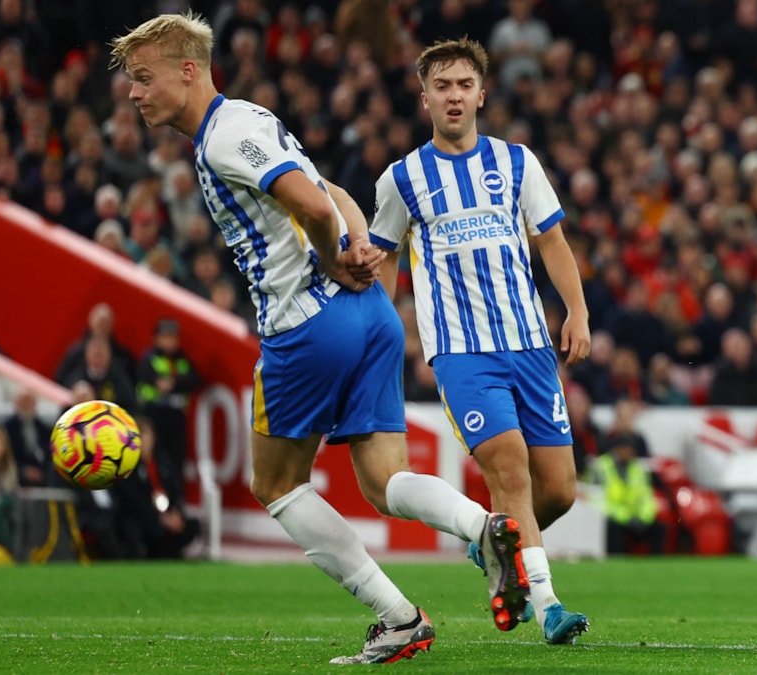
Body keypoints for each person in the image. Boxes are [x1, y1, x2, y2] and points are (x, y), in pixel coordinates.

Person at [111, 14, 530, 664]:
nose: (135, 93)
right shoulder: (250, 118)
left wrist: (338, 257)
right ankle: (485, 525)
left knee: (275, 483)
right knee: (384, 478)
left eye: (144, 77)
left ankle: (398, 617)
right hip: (371, 315)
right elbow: (332, 191)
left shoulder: (224, 138)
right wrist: (359, 244)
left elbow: (309, 202)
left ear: (187, 71)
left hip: (308, 323)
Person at [370, 37, 591, 645]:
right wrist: (379, 337)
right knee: (512, 471)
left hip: (529, 345)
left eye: (464, 85)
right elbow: (385, 263)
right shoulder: (402, 179)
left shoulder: (518, 163)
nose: (454, 96)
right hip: (463, 354)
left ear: (481, 94)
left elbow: (551, 241)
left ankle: (495, 545)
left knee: (560, 490)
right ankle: (548, 607)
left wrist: (576, 311)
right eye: (441, 86)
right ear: (425, 100)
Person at [135, 318, 201, 510]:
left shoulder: (182, 359)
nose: (169, 342)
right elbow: (146, 376)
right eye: (165, 337)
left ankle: (177, 504)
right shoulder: (149, 357)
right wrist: (172, 384)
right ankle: (157, 506)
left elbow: (194, 379)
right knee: (157, 461)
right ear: (156, 338)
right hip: (154, 418)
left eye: (173, 337)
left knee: (176, 463)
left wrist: (172, 384)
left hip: (176, 420)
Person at [587, 431, 664, 555]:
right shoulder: (601, 467)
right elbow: (597, 501)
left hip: (635, 516)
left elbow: (646, 497)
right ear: (616, 450)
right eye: (625, 449)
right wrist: (626, 518)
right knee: (612, 527)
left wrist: (643, 518)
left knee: (659, 528)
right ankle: (616, 559)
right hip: (613, 517)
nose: (628, 453)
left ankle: (656, 561)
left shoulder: (638, 469)